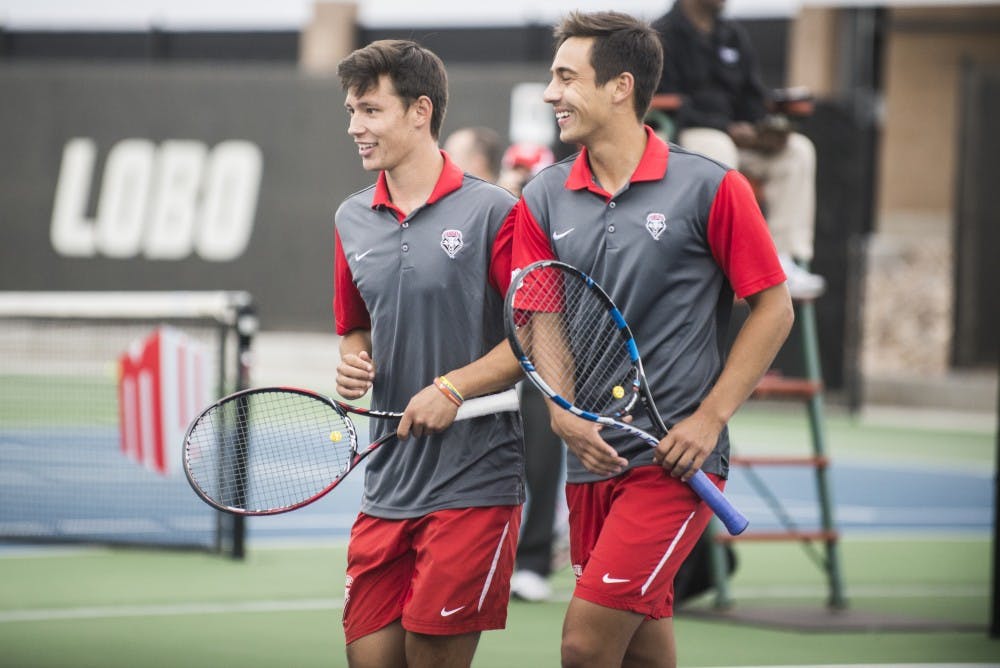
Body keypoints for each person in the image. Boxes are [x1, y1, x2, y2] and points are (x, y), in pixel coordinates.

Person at [509, 11, 794, 667]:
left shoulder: (713, 186)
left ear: (620, 87)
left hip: (675, 466)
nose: (551, 94)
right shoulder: (543, 196)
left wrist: (709, 418)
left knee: (585, 646)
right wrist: (560, 408)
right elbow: (543, 310)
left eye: (565, 77)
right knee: (642, 650)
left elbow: (773, 308)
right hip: (590, 463)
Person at [333, 40, 526, 668]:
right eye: (351, 111)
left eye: (369, 110)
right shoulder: (350, 219)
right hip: (387, 484)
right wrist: (353, 360)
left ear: (420, 111)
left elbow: (536, 341)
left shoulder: (496, 211)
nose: (355, 127)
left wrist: (453, 388)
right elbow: (355, 326)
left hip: (475, 480)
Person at [444, 127, 564, 603]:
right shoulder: (465, 211)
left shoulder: (536, 207)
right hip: (485, 352)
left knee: (541, 451)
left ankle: (535, 558)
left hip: (538, 349)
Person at [653, 0, 825, 299]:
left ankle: (784, 260)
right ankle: (732, 264)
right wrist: (727, 128)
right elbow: (664, 100)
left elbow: (753, 96)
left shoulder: (732, 34)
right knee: (718, 149)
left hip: (739, 141)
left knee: (798, 150)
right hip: (687, 138)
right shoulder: (661, 35)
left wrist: (766, 128)